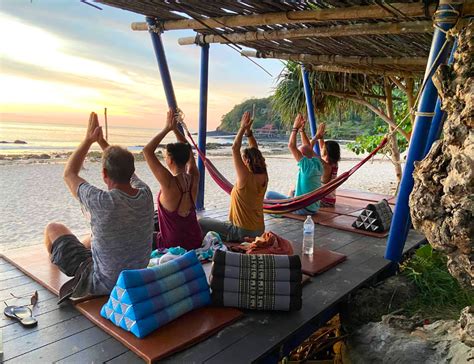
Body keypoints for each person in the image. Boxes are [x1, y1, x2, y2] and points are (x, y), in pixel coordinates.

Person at [44, 112, 154, 303]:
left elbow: (69, 173)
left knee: (53, 228)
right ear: (132, 171)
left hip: (102, 283)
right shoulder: (145, 193)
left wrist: (88, 140)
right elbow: (127, 172)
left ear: (104, 173)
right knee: (89, 239)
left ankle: (54, 260)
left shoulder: (102, 201)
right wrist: (103, 143)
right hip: (135, 277)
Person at [199, 111, 268, 241]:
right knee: (211, 221)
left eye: (243, 159)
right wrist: (248, 133)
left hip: (242, 232)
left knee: (201, 222)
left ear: (247, 161)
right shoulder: (264, 175)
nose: (241, 161)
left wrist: (242, 128)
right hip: (259, 230)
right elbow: (255, 149)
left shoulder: (245, 178)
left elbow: (235, 148)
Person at [142, 109, 202, 250]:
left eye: (165, 156)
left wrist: (167, 128)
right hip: (195, 239)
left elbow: (147, 151)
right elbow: (188, 151)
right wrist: (176, 131)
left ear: (170, 160)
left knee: (141, 234)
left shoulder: (168, 182)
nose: (165, 158)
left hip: (173, 244)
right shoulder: (194, 177)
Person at [266, 114, 323, 215]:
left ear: (302, 156)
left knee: (269, 194)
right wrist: (302, 130)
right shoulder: (317, 163)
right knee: (292, 191)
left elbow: (291, 146)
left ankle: (282, 211)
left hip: (302, 208)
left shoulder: (306, 167)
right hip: (313, 208)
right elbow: (308, 147)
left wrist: (295, 128)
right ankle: (290, 199)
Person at [311, 123, 341, 207]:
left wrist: (316, 137)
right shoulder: (334, 164)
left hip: (323, 202)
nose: (321, 150)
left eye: (323, 150)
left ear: (326, 153)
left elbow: (307, 150)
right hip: (330, 200)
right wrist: (321, 137)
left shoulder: (325, 165)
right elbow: (322, 147)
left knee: (293, 191)